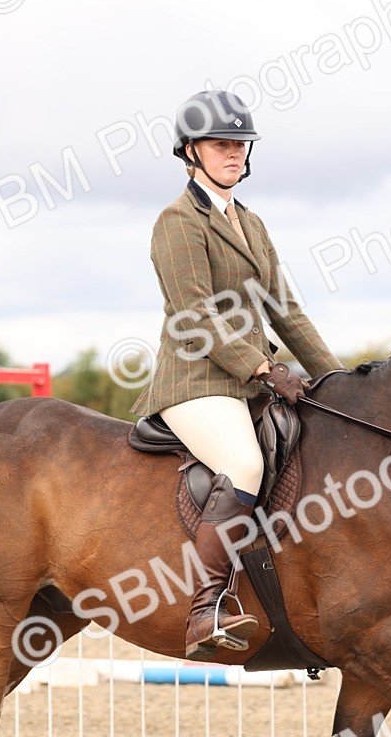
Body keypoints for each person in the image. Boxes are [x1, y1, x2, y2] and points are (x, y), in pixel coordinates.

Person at [131, 90, 344, 660]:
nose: (234, 154)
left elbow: (286, 311)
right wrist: (264, 368)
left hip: (251, 380)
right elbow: (194, 314)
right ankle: (205, 609)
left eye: (240, 144)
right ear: (190, 152)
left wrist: (339, 380)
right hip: (197, 383)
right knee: (245, 462)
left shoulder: (250, 222)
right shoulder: (177, 222)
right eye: (222, 144)